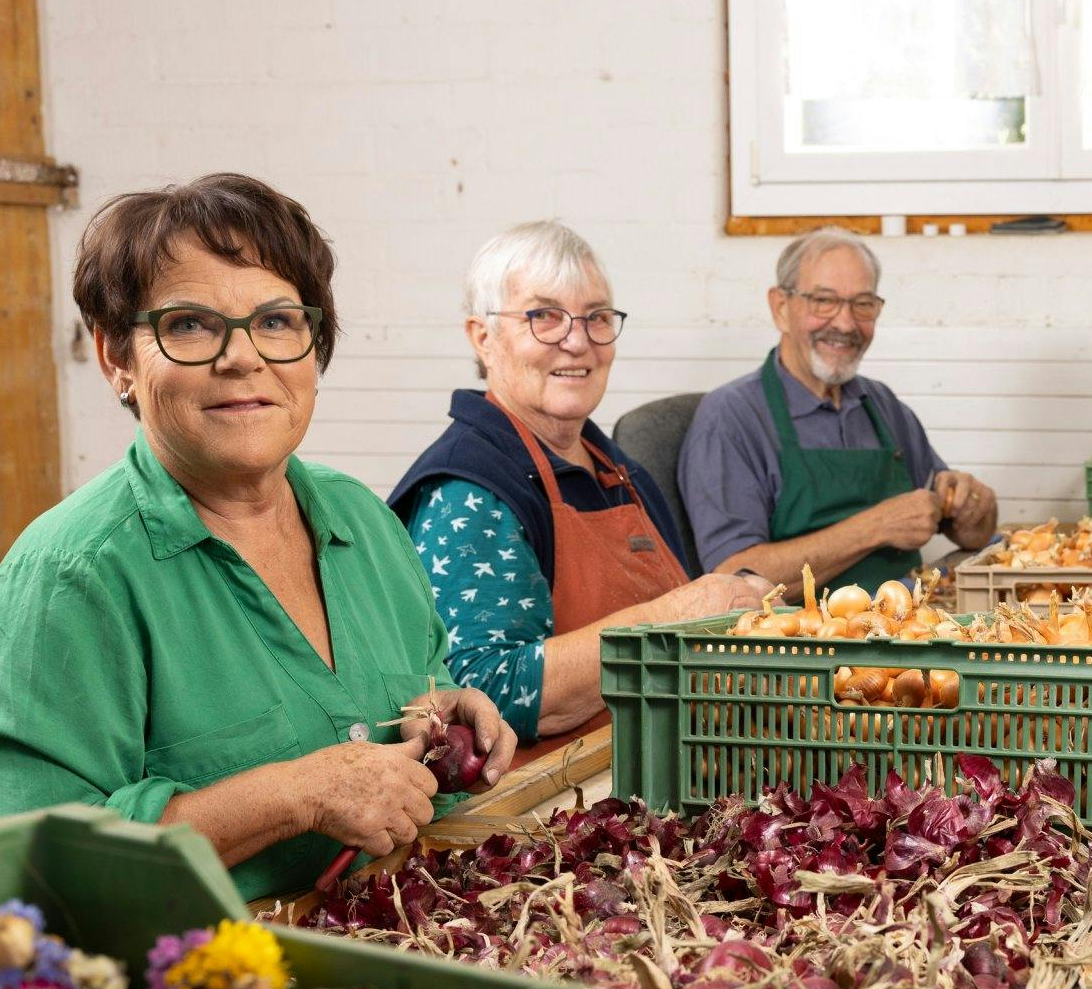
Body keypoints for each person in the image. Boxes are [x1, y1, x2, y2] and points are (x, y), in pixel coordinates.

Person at [0, 174, 516, 899]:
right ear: (116, 357)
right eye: (191, 325)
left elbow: (419, 694)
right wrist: (292, 795)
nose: (244, 357)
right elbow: (28, 872)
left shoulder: (364, 521)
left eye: (275, 321)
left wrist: (447, 716)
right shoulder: (69, 578)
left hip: (400, 937)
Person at [390, 222, 766, 763]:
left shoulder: (616, 469)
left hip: (658, 777)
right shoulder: (468, 491)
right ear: (482, 337)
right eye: (543, 316)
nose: (577, 339)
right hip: (550, 816)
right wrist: (678, 615)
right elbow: (476, 693)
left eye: (596, 317)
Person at [678, 228, 999, 587]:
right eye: (823, 301)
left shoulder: (883, 406)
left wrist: (975, 508)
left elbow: (972, 536)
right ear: (780, 308)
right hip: (807, 638)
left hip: (910, 622)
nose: (845, 324)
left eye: (863, 304)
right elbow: (732, 575)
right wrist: (874, 527)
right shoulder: (731, 418)